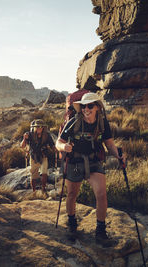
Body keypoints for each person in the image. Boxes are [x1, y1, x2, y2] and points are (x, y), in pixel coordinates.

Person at [55, 92, 124, 247]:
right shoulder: (73, 122)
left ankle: (100, 231)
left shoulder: (102, 123)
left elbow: (110, 144)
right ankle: (72, 224)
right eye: (84, 106)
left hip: (93, 161)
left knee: (101, 194)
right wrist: (64, 146)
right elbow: (58, 142)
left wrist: (118, 156)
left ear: (98, 107)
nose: (86, 109)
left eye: (90, 106)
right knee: (72, 194)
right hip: (74, 161)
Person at [21, 119, 56, 192]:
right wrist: (24, 138)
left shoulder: (47, 135)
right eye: (37, 127)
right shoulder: (29, 134)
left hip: (43, 156)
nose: (39, 128)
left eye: (40, 127)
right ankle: (34, 191)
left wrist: (57, 150)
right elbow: (22, 146)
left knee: (44, 173)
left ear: (43, 127)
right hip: (33, 156)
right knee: (33, 174)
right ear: (34, 127)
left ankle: (43, 189)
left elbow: (52, 145)